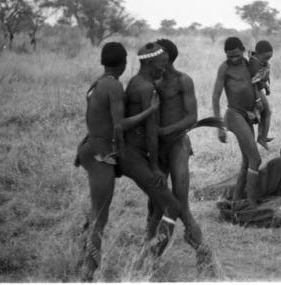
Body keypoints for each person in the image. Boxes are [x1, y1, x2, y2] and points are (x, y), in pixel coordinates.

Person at [76, 42, 160, 281]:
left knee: (96, 210)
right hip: (101, 155)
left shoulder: (98, 83)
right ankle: (88, 272)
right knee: (100, 217)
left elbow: (93, 118)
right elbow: (119, 126)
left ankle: (82, 256)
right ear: (123, 63)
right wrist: (149, 111)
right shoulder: (113, 86)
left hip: (89, 147)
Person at [146, 38, 216, 275]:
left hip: (177, 145)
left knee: (181, 202)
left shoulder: (183, 81)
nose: (154, 57)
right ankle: (151, 257)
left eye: (158, 54)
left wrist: (164, 131)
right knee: (155, 202)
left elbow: (192, 117)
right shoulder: (151, 81)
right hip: (155, 148)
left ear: (168, 57)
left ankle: (202, 252)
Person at [119, 42, 183, 264]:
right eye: (161, 64)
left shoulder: (137, 82)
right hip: (133, 156)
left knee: (159, 203)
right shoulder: (147, 89)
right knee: (172, 206)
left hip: (132, 153)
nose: (163, 69)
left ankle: (147, 251)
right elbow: (151, 132)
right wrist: (155, 166)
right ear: (148, 63)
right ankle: (149, 260)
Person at [212, 36, 262, 207]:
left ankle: (237, 200)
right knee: (256, 159)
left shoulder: (248, 64)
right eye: (229, 56)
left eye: (236, 55)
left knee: (247, 161)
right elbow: (215, 96)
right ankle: (251, 202)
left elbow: (257, 84)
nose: (233, 59)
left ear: (242, 50)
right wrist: (219, 126)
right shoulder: (224, 68)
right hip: (234, 115)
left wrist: (258, 103)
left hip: (248, 115)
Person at [248, 40, 274, 150]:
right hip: (255, 90)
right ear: (258, 54)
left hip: (258, 89)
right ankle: (262, 137)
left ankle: (262, 136)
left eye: (269, 58)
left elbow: (259, 80)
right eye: (266, 57)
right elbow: (253, 81)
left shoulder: (259, 61)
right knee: (267, 112)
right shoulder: (254, 62)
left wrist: (266, 86)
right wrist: (257, 99)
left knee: (266, 112)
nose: (267, 60)